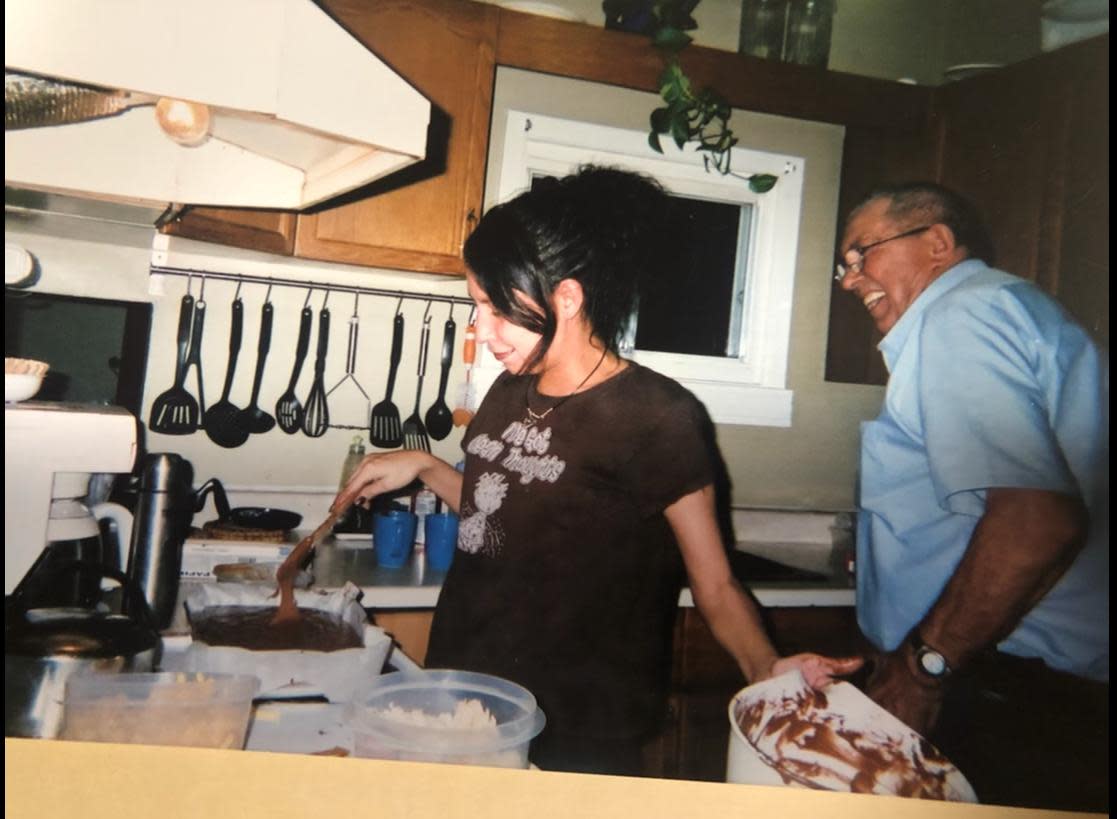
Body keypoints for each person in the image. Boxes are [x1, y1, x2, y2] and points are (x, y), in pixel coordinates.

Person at [335, 166, 861, 776]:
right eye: (475, 305)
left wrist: (763, 669)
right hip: (470, 700)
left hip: (575, 727)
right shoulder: (511, 388)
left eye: (495, 308)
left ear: (566, 297)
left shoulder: (657, 418)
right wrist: (426, 466)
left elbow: (715, 585)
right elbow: (496, 511)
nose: (480, 331)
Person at [835, 182, 1108, 812]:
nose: (850, 281)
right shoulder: (1003, 310)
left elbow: (1037, 522)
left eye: (863, 254)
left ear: (937, 243)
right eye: (844, 266)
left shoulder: (960, 316)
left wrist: (922, 668)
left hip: (1009, 691)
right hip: (1015, 679)